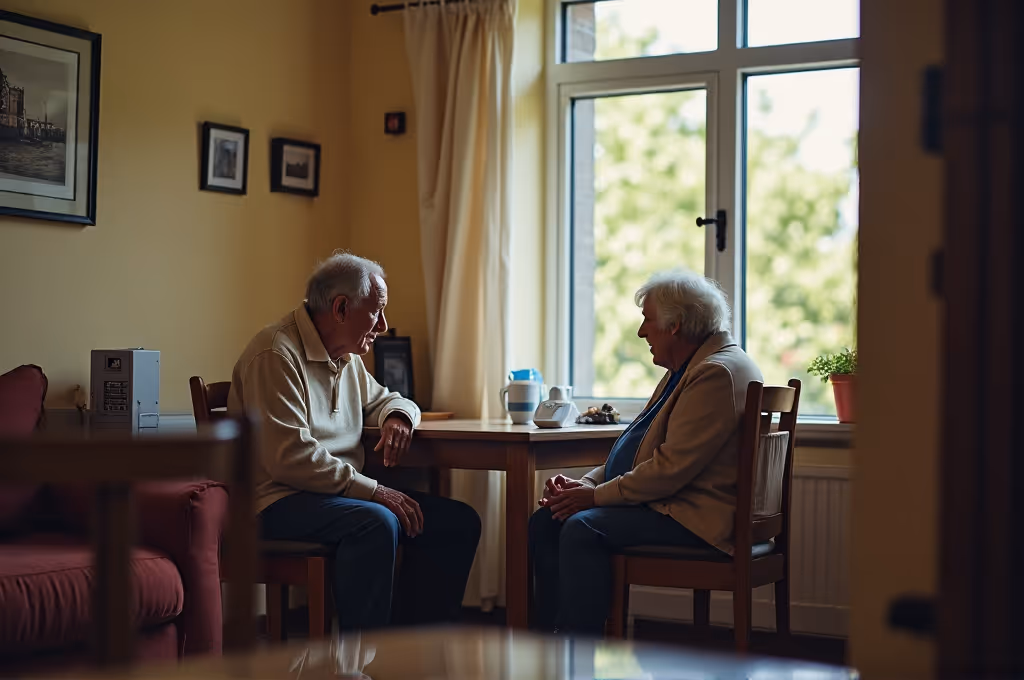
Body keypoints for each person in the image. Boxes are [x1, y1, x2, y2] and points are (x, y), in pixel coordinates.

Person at [229, 251, 481, 629]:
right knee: (378, 521)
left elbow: (390, 399)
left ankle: (412, 654)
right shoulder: (275, 355)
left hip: (331, 496)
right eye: (377, 311)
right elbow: (289, 458)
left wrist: (397, 416)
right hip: (275, 501)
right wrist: (374, 490)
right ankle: (360, 659)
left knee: (457, 522)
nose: (383, 324)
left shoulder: (346, 359)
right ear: (342, 308)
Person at [528, 269, 763, 635]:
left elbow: (669, 470)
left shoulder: (716, 373)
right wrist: (584, 485)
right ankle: (547, 645)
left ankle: (575, 652)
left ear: (675, 325)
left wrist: (592, 499)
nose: (641, 332)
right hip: (673, 504)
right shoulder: (691, 366)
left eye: (647, 320)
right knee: (547, 520)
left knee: (581, 528)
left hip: (694, 517)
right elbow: (638, 445)